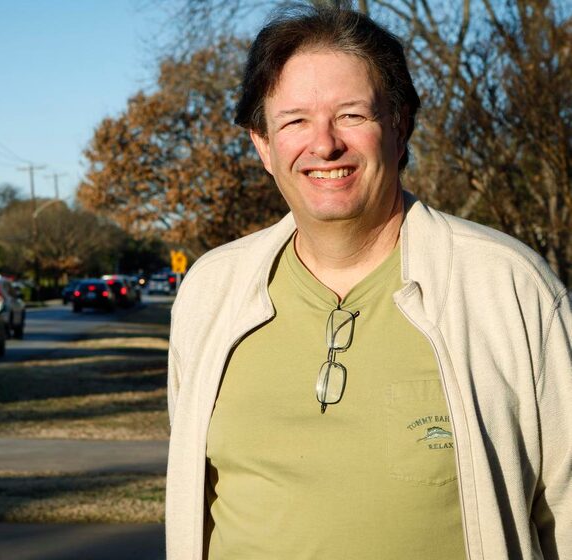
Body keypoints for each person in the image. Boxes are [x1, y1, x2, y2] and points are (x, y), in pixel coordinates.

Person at [165, 5, 571, 560]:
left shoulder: (509, 288)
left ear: (400, 126)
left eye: (352, 115)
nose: (324, 144)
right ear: (262, 145)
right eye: (294, 121)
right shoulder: (211, 292)